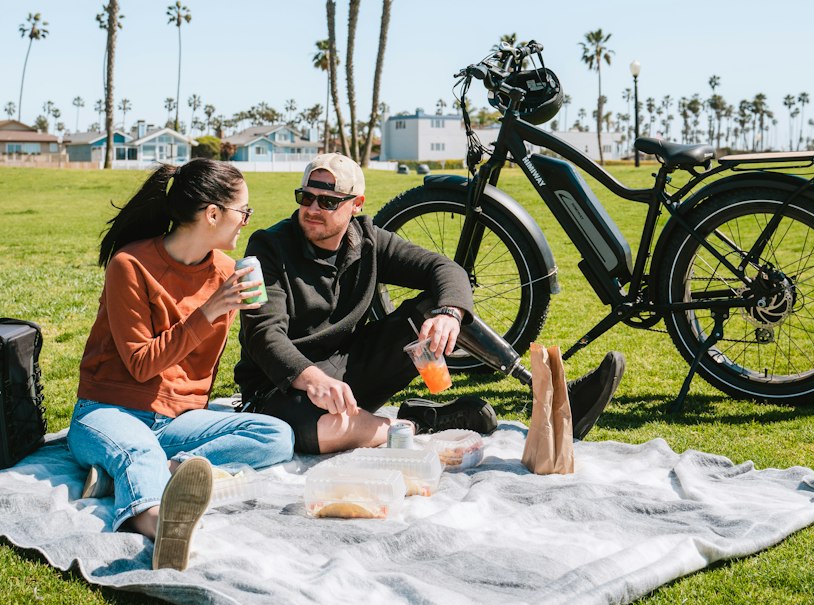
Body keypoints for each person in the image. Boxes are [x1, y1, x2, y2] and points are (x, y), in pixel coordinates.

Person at [234, 152, 624, 455]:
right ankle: (419, 425)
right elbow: (263, 335)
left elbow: (444, 269)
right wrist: (313, 379)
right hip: (281, 386)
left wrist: (450, 315)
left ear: (355, 205)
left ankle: (553, 396)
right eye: (307, 197)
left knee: (439, 305)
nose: (313, 209)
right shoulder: (268, 247)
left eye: (328, 201)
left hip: (347, 374)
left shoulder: (367, 240)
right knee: (314, 430)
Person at [68, 158, 294, 571]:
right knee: (137, 448)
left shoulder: (227, 272)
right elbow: (140, 364)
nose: (246, 220)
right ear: (213, 214)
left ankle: (144, 472)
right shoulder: (130, 266)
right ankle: (159, 524)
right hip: (108, 409)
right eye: (243, 210)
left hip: (177, 420)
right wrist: (209, 311)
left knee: (276, 435)